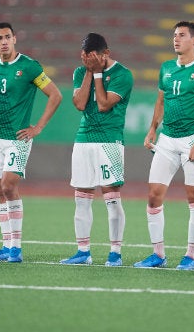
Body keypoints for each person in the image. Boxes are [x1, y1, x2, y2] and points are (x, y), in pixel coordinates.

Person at [134, 21, 194, 271]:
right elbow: (160, 100)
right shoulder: (166, 68)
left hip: (193, 139)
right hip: (167, 139)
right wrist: (153, 128)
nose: (176, 39)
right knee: (153, 196)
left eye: (181, 35)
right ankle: (158, 254)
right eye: (174, 35)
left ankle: (191, 256)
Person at [0, 22, 62, 263]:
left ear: (15, 39)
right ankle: (6, 246)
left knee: (8, 186)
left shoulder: (29, 67)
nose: (4, 41)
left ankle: (16, 247)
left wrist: (37, 127)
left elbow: (55, 95)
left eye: (8, 37)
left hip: (17, 138)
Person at [60, 33, 133, 267]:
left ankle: (115, 252)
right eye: (83, 56)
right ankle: (83, 252)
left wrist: (98, 73)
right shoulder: (81, 72)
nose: (86, 60)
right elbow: (80, 103)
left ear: (106, 54)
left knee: (111, 198)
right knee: (81, 199)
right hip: (83, 140)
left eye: (91, 57)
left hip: (109, 140)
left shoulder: (123, 74)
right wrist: (90, 72)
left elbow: (102, 104)